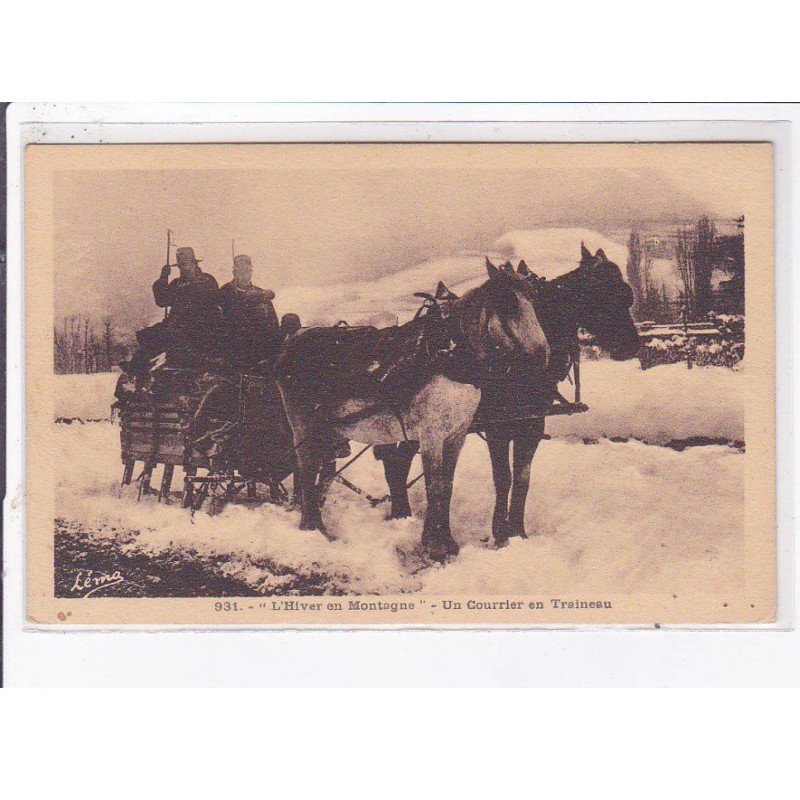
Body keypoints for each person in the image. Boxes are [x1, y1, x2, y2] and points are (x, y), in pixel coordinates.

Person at [218, 254, 280, 368]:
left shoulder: (260, 293)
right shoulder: (224, 292)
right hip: (234, 353)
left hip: (259, 353)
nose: (245, 275)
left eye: (248, 271)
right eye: (241, 271)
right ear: (234, 272)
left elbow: (274, 324)